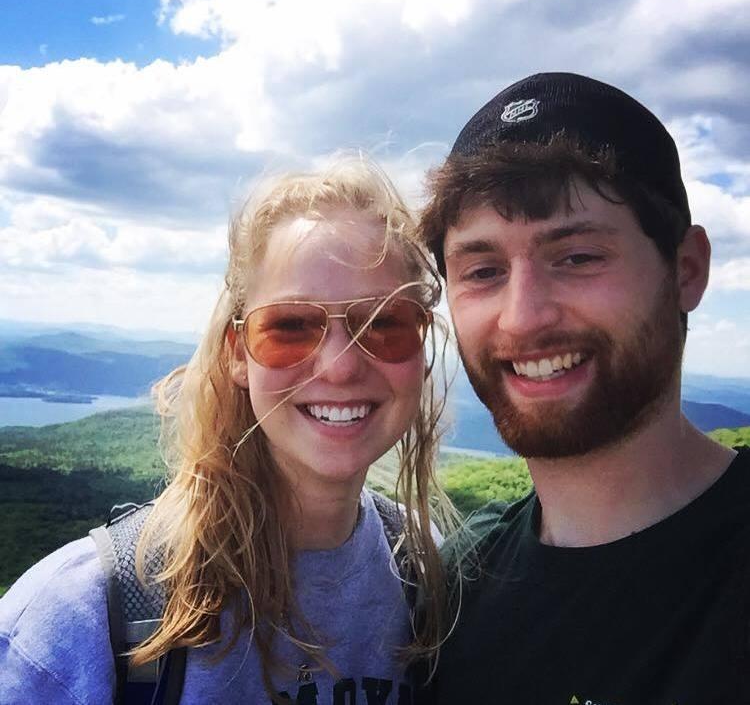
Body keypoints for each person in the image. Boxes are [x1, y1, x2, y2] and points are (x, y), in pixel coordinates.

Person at [0, 156, 455, 704]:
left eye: (384, 323)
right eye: (290, 327)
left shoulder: (425, 575)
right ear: (239, 354)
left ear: (422, 344)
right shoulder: (80, 618)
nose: (340, 365)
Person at [418, 72, 750, 703]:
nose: (522, 316)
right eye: (483, 271)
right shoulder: (454, 591)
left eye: (577, 257)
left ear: (686, 269)